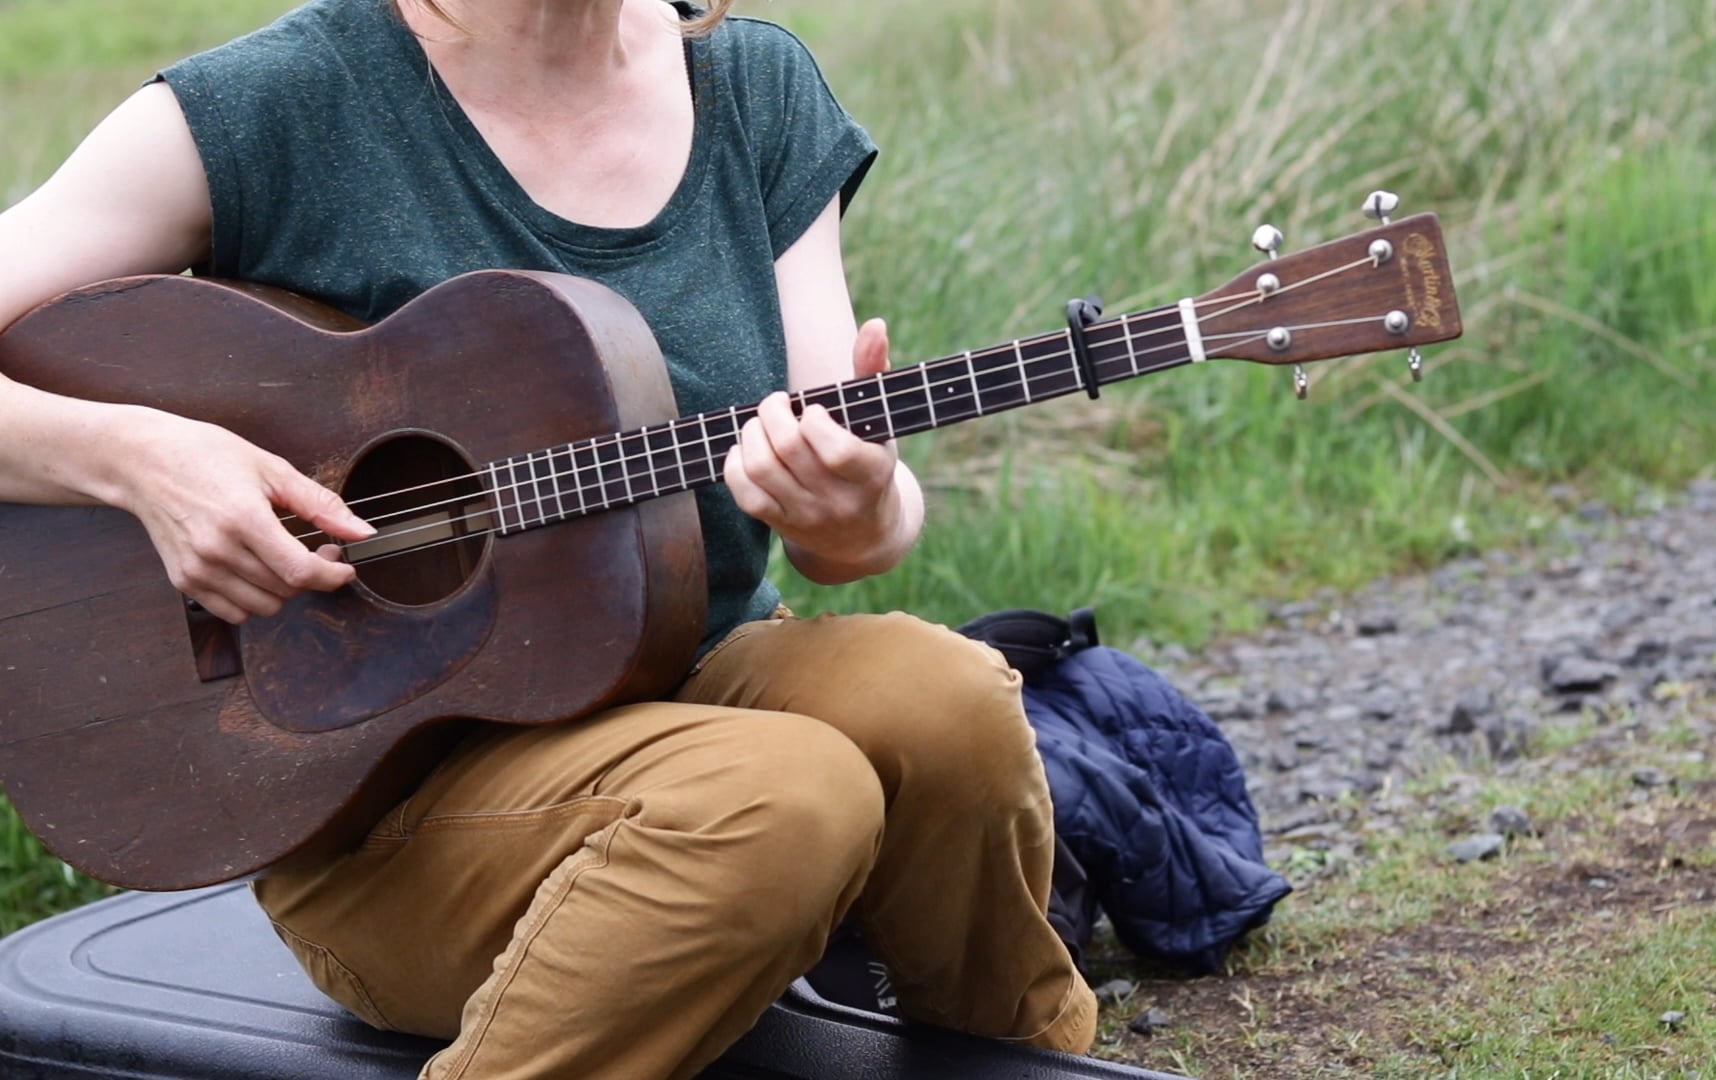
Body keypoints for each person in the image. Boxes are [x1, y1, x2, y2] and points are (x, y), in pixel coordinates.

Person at [0, 0, 1098, 1076]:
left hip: (687, 677)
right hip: (385, 809)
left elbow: (852, 521)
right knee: (782, 795)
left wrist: (859, 506)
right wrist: (143, 461)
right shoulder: (271, 106)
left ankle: (1031, 1057)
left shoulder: (753, 90)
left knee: (945, 703)